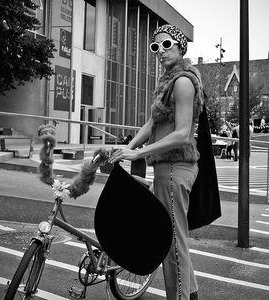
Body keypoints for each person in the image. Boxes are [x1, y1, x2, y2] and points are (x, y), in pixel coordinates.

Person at [109, 24, 204, 300]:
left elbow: (182, 133)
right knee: (176, 240)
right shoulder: (167, 83)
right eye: (155, 47)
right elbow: (152, 124)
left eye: (167, 45)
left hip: (175, 167)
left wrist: (139, 154)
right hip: (166, 168)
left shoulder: (184, 82)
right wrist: (125, 148)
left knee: (172, 243)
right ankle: (191, 294)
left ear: (180, 47)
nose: (160, 52)